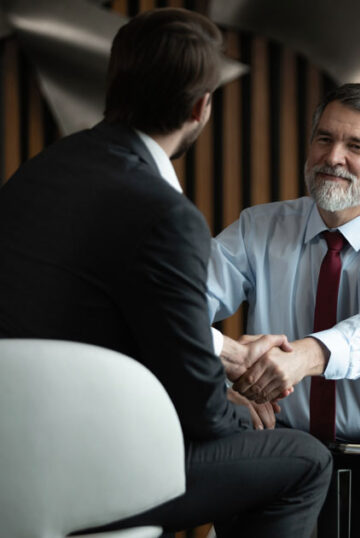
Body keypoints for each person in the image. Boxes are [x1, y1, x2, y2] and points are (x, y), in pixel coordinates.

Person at [0, 9, 330, 537]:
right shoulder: (165, 214)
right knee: (304, 459)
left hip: (10, 456)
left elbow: (102, 307)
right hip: (95, 467)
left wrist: (225, 354)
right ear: (201, 108)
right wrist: (234, 404)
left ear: (115, 83)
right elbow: (200, 415)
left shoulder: (36, 175)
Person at [205, 83, 360, 534]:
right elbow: (175, 305)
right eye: (324, 138)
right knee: (223, 416)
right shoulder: (258, 229)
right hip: (288, 446)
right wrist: (219, 374)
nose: (333, 157)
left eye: (356, 146)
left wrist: (301, 358)